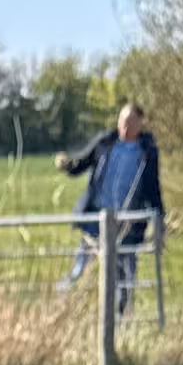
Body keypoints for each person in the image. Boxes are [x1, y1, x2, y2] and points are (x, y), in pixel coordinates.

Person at [63, 100, 165, 281]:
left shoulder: (147, 153)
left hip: (126, 223)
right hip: (98, 217)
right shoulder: (105, 144)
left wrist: (159, 219)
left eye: (131, 123)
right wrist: (67, 165)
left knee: (125, 275)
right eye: (122, 122)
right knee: (79, 268)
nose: (125, 127)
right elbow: (82, 163)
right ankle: (62, 302)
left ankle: (124, 308)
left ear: (140, 125)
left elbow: (153, 188)